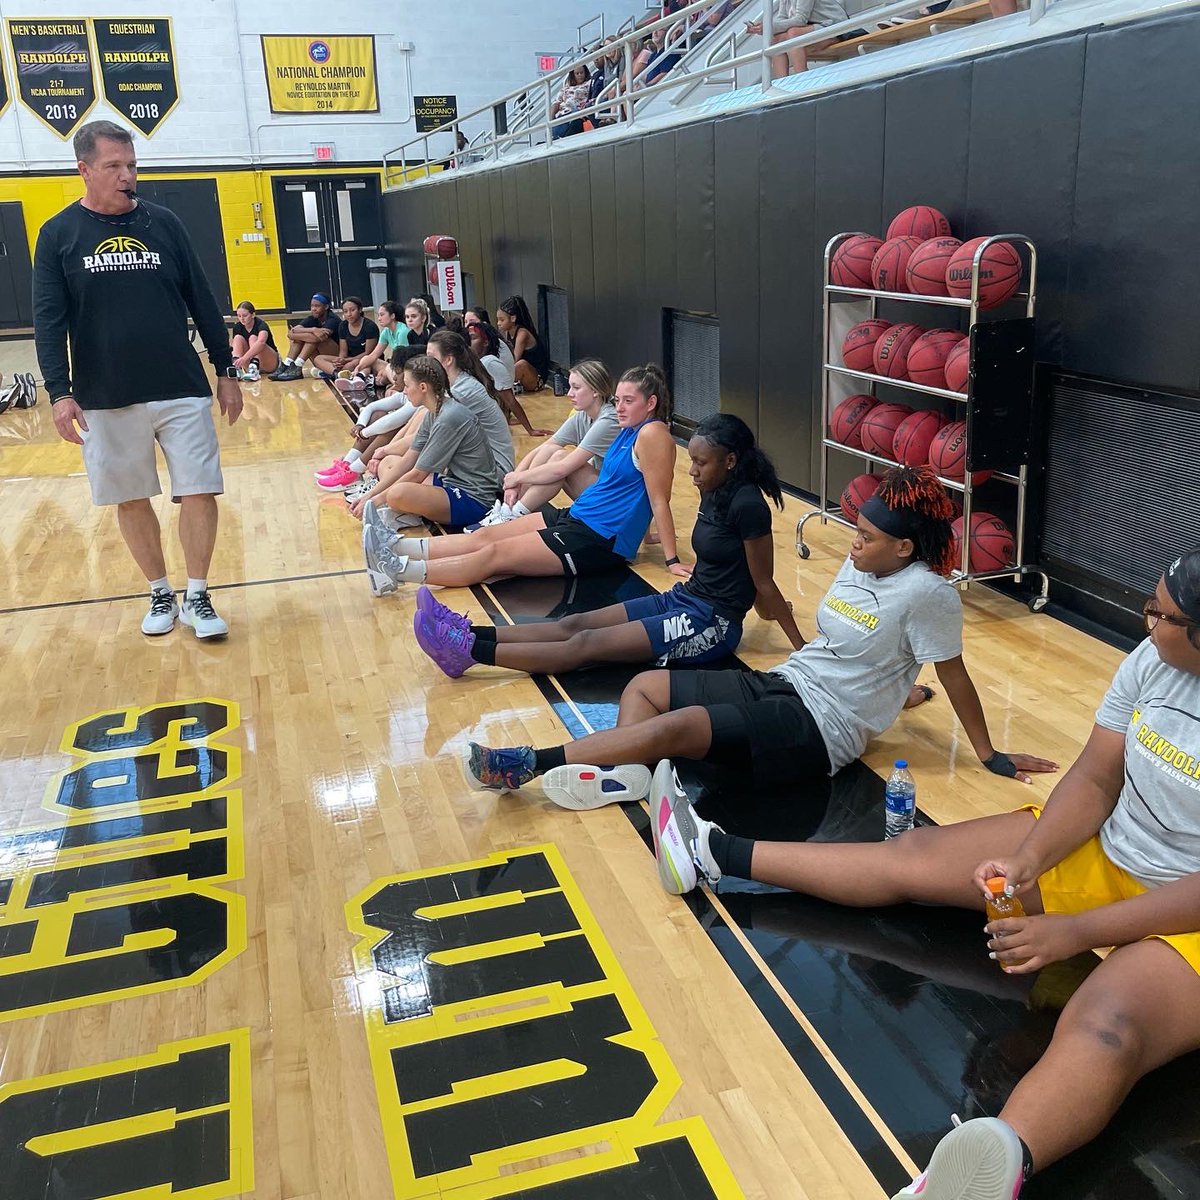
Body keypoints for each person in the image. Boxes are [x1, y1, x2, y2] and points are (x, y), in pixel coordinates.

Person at [647, 547, 1200, 1200]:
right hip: (1112, 851)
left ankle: (975, 1179)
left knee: (1109, 1026)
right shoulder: (1152, 663)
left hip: (1186, 907)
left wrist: (1078, 930)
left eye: (1159, 615)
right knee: (911, 858)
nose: (1145, 624)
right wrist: (1030, 858)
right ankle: (710, 851)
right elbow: (1097, 776)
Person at [462, 466, 1054, 802]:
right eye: (856, 530)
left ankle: (526, 764)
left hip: (824, 731)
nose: (853, 542)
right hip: (789, 683)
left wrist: (990, 753)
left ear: (904, 548)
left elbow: (952, 672)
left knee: (677, 727)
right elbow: (870, 653)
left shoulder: (929, 594)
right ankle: (629, 774)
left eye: (867, 537)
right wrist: (903, 692)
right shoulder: (864, 561)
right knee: (645, 687)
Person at [33, 119, 241, 639]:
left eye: (132, 166)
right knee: (131, 497)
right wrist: (60, 393)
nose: (128, 176)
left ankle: (198, 594)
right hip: (106, 395)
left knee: (199, 490)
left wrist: (226, 369)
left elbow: (202, 298)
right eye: (114, 167)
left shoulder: (165, 223)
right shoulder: (58, 235)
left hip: (179, 384)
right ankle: (160, 592)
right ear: (85, 170)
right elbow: (48, 321)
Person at [414, 412, 807, 679]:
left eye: (701, 463)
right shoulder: (714, 489)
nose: (692, 470)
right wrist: (766, 609)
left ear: (732, 461)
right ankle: (472, 633)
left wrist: (801, 648)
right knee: (573, 623)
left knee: (588, 645)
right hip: (683, 598)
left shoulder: (749, 506)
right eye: (694, 460)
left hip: (711, 624)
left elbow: (763, 582)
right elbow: (738, 573)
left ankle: (467, 652)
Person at [363, 363, 685, 596]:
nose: (621, 407)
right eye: (619, 399)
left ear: (651, 403)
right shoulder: (627, 430)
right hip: (578, 518)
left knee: (495, 557)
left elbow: (659, 498)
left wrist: (671, 559)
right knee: (487, 538)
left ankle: (398, 569)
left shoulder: (653, 433)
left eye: (629, 401)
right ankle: (395, 545)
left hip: (600, 540)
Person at [355, 329, 514, 528]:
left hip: (476, 496)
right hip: (453, 480)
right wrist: (372, 494)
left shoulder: (451, 412)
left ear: (423, 387)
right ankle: (410, 511)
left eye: (407, 385)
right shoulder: (435, 410)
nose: (404, 390)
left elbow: (417, 473)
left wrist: (373, 501)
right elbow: (409, 458)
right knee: (390, 465)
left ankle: (408, 510)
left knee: (398, 493)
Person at [476, 357, 618, 528]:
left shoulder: (609, 420)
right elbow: (545, 447)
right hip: (599, 491)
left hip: (614, 502)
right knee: (551, 450)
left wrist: (518, 477)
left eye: (576, 388)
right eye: (570, 386)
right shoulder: (584, 415)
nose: (569, 393)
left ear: (596, 391)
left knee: (560, 458)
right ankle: (511, 508)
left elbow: (562, 469)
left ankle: (514, 515)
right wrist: (512, 484)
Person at [467, 319, 551, 438]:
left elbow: (510, 400)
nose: (468, 342)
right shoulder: (476, 360)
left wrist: (530, 430)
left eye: (473, 338)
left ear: (485, 342)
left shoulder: (490, 363)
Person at [747, 0, 847, 78]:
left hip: (836, 26)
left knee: (793, 33)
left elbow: (801, 19)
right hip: (815, 27)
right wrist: (766, 28)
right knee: (774, 39)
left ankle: (802, 77)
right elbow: (782, 18)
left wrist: (769, 27)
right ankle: (782, 83)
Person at [270, 293, 339, 381]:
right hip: (319, 359)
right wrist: (313, 329)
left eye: (317, 306)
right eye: (312, 306)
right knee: (301, 339)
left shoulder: (333, 319)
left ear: (326, 307)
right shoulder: (313, 318)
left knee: (311, 338)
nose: (313, 309)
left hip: (335, 357)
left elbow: (316, 339)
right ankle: (287, 364)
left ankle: (298, 366)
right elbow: (290, 334)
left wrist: (301, 333)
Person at [311, 296, 378, 377]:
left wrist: (346, 360)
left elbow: (368, 353)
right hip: (349, 359)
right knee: (318, 359)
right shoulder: (343, 325)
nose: (349, 314)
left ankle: (328, 373)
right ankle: (336, 374)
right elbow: (343, 351)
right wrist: (340, 360)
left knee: (349, 366)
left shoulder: (370, 326)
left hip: (366, 359)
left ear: (360, 310)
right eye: (345, 311)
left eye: (352, 310)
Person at [496, 296, 552, 393]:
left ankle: (496, 388)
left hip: (537, 379)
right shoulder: (508, 331)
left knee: (521, 364)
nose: (498, 323)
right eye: (498, 319)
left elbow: (514, 360)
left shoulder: (522, 334)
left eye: (502, 320)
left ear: (513, 318)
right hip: (523, 379)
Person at [230, 301, 279, 382]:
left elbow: (261, 342)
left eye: (245, 315)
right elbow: (235, 346)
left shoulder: (261, 324)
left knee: (253, 338)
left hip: (269, 362)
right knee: (238, 338)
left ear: (253, 315)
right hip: (247, 363)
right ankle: (236, 367)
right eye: (239, 316)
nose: (242, 318)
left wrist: (244, 358)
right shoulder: (237, 327)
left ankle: (254, 367)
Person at [550, 63, 592, 139]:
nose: (580, 75)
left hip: (578, 112)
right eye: (577, 73)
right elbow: (556, 103)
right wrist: (551, 118)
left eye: (582, 72)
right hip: (564, 113)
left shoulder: (589, 83)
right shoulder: (566, 88)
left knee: (575, 116)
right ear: (573, 75)